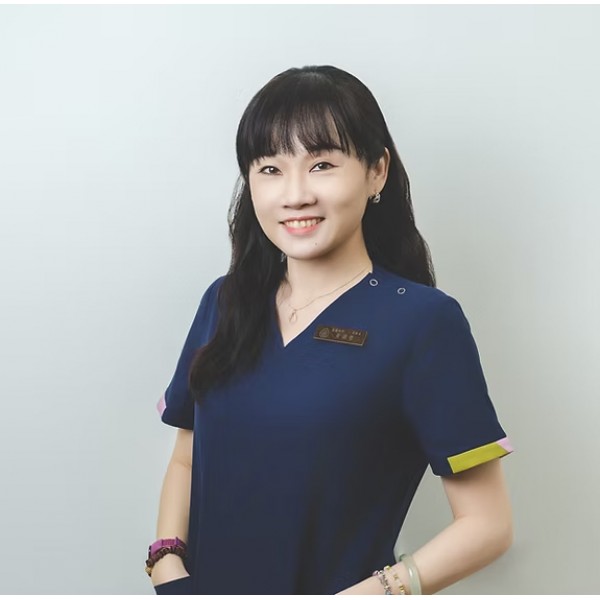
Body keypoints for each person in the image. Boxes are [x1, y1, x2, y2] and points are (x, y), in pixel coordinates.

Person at [147, 65, 513, 595]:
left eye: (321, 165)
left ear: (376, 171)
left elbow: (488, 525)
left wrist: (374, 592)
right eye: (270, 169)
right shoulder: (224, 302)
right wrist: (166, 563)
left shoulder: (424, 323)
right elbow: (187, 454)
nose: (295, 195)